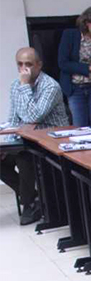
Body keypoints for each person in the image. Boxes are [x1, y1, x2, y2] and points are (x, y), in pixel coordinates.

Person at [0, 47, 68, 225]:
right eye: (20, 65)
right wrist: (6, 146)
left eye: (28, 64)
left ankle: (29, 204)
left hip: (51, 140)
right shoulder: (16, 85)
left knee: (24, 157)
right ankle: (33, 197)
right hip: (26, 139)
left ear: (39, 65)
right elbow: (13, 119)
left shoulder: (50, 86)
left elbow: (33, 117)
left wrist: (24, 87)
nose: (24, 69)